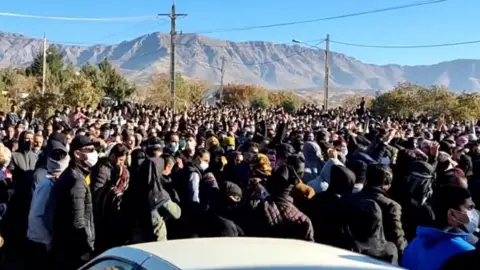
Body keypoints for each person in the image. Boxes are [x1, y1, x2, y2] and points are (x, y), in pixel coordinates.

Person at [401, 185, 476, 270]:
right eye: (470, 208)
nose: (473, 213)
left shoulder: (414, 243)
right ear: (452, 215)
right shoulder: (466, 253)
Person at [52, 135, 98, 270]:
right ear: (77, 153)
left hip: (67, 246)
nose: (93, 153)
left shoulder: (75, 175)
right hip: (74, 249)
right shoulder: (76, 181)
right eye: (89, 149)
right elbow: (77, 221)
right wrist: (85, 248)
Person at [26, 141, 69, 270]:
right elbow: (36, 216)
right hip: (40, 243)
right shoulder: (47, 185)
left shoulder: (52, 182)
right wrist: (48, 241)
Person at [351, 164, 408, 256]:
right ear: (386, 185)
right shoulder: (392, 206)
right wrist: (404, 249)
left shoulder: (352, 197)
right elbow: (396, 236)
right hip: (378, 255)